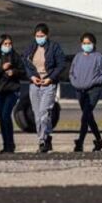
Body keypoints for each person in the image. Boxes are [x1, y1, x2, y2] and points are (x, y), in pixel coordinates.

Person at [22, 23, 66, 153]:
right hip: (35, 84)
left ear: (47, 35)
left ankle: (42, 140)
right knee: (37, 115)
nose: (39, 38)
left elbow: (61, 65)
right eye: (37, 36)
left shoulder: (54, 47)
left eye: (42, 36)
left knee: (44, 113)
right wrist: (31, 77)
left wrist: (50, 78)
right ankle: (46, 138)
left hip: (48, 84)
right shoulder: (31, 47)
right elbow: (25, 63)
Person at [69, 32, 102, 152]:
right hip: (79, 91)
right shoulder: (77, 57)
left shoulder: (99, 57)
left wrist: (94, 81)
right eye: (84, 43)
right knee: (89, 117)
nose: (86, 45)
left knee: (85, 116)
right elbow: (71, 72)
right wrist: (74, 82)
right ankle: (99, 141)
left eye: (89, 43)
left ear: (94, 44)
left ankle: (80, 142)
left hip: (93, 91)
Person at [0, 34, 24, 154]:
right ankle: (6, 144)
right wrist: (2, 68)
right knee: (2, 118)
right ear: (0, 45)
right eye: (5, 44)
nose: (8, 46)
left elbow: (23, 71)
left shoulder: (15, 56)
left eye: (10, 44)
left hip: (12, 90)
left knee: (6, 115)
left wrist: (14, 72)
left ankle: (10, 144)